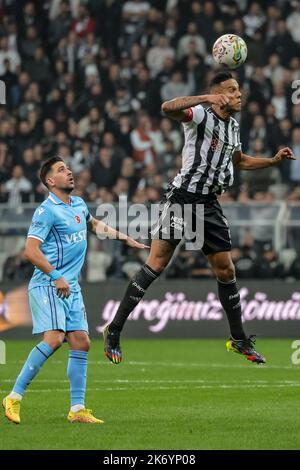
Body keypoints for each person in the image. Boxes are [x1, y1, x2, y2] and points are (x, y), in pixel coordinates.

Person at [103, 71, 295, 365]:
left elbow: (239, 161)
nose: (239, 94)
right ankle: (114, 330)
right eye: (232, 90)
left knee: (226, 270)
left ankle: (238, 339)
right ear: (218, 94)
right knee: (156, 264)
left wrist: (272, 160)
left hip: (209, 204)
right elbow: (167, 108)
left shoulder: (233, 127)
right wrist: (206, 97)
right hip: (182, 199)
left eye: (239, 90)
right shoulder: (201, 116)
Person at [2, 156, 148, 425]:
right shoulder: (46, 211)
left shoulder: (78, 204)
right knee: (55, 338)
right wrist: (56, 276)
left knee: (81, 342)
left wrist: (124, 237)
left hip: (70, 287)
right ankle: (14, 396)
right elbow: (30, 251)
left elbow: (93, 226)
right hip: (49, 284)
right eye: (61, 170)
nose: (69, 172)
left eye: (68, 168)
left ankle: (77, 409)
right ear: (50, 181)